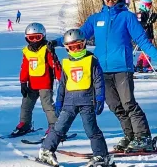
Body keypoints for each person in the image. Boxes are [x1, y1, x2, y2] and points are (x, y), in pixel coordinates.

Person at [49, 0, 157, 152]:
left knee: (128, 103)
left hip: (122, 68)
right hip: (101, 69)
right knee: (114, 105)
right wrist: (56, 42)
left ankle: (143, 136)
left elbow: (141, 40)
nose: (110, 0)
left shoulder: (127, 17)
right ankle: (130, 136)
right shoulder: (96, 19)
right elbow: (78, 36)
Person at [39, 29, 113, 167]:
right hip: (69, 102)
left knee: (91, 129)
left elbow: (98, 81)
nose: (76, 50)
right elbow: (62, 84)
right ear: (67, 48)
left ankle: (102, 156)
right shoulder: (66, 63)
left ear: (84, 44)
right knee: (59, 127)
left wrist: (100, 98)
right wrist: (59, 101)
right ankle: (47, 150)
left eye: (78, 46)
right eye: (72, 48)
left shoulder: (91, 60)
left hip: (87, 102)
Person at [14, 23, 61, 137]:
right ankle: (25, 123)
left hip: (45, 83)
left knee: (48, 106)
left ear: (43, 36)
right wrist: (23, 82)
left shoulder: (46, 49)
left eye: (38, 37)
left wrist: (61, 79)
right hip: (31, 84)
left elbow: (55, 65)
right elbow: (25, 67)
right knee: (26, 105)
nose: (35, 40)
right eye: (31, 38)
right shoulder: (27, 51)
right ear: (27, 39)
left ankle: (54, 126)